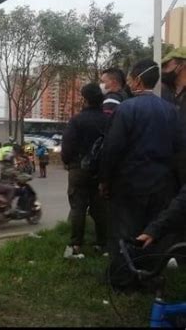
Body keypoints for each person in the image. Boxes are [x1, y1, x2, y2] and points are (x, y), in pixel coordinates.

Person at [99, 59, 182, 288]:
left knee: (123, 233)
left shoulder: (126, 108)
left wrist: (105, 180)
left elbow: (112, 149)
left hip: (129, 183)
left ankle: (122, 280)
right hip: (162, 184)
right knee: (152, 234)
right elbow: (178, 150)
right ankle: (148, 278)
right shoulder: (172, 111)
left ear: (136, 79)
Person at [61, 83, 109, 258]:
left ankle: (76, 246)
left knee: (78, 208)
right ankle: (103, 245)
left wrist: (68, 162)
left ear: (85, 99)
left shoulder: (76, 120)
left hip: (78, 169)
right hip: (100, 171)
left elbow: (67, 147)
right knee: (100, 209)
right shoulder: (108, 120)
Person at [161, 47, 186, 187]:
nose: (163, 71)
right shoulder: (162, 91)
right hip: (164, 163)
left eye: (166, 66)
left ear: (181, 66)